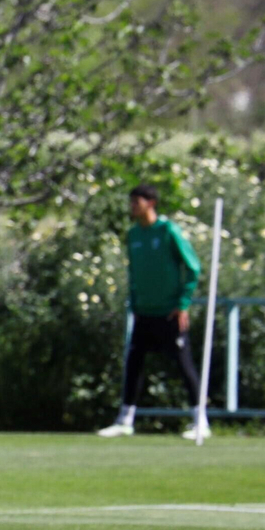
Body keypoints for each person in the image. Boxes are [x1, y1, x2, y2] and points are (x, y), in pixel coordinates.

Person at [98, 183, 207, 441]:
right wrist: (134, 304)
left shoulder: (168, 231)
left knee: (184, 365)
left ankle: (200, 421)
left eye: (137, 202)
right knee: (134, 363)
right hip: (144, 312)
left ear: (151, 203)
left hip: (169, 312)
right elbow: (134, 273)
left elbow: (193, 268)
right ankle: (125, 421)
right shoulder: (134, 235)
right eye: (132, 202)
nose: (133, 207)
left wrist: (183, 304)